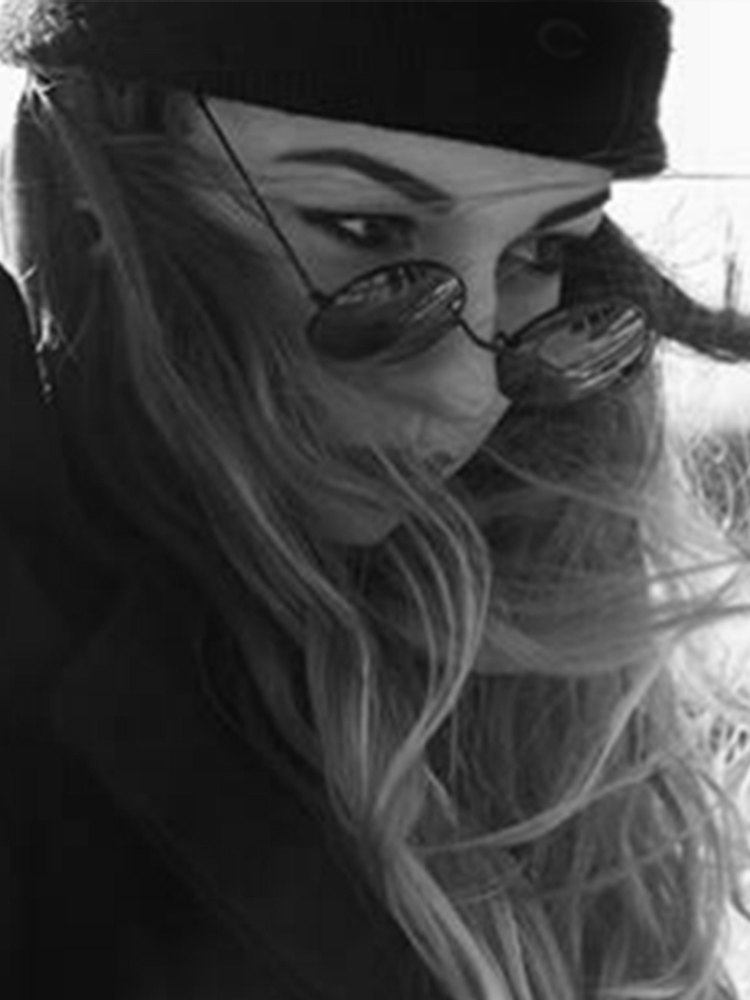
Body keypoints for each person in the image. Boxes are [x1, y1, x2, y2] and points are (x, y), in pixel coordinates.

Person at [0, 2, 749, 998]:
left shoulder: (556, 700)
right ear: (96, 188)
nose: (470, 389)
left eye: (542, 254)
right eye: (362, 230)